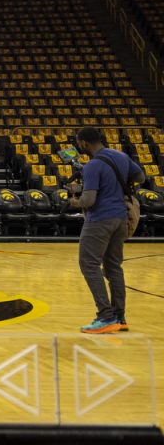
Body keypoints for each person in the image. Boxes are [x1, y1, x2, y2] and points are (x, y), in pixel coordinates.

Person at [69, 126, 143, 334]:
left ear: (83, 142)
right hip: (120, 218)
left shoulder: (92, 165)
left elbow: (89, 200)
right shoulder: (120, 156)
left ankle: (105, 316)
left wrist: (76, 202)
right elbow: (142, 178)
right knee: (113, 268)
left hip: (100, 220)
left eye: (78, 142)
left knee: (88, 264)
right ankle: (120, 317)